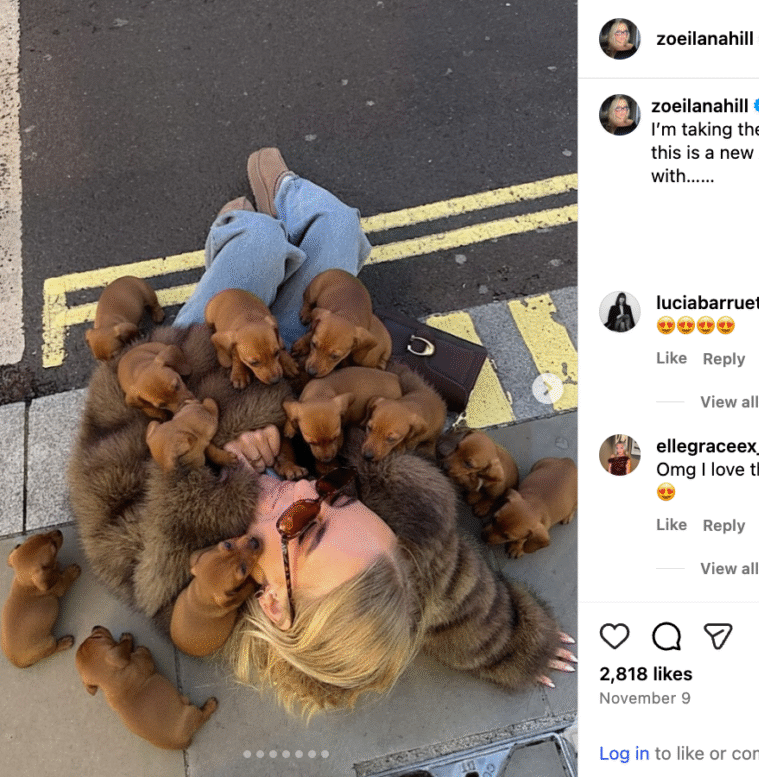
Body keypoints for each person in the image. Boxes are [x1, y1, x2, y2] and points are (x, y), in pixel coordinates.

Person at [68, 148, 576, 719]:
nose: (310, 490)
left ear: (275, 603)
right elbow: (459, 604)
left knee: (259, 244)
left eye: (306, 526)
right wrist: (521, 648)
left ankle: (238, 229)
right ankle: (284, 189)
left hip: (201, 364)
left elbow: (108, 468)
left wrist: (204, 459)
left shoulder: (204, 578)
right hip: (298, 375)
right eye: (339, 495)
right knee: (339, 226)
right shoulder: (389, 552)